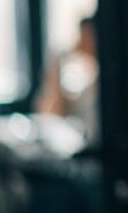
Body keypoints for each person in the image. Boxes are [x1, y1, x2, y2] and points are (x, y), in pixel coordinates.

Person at [35, 14, 100, 144]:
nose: (80, 42)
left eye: (85, 37)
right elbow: (50, 114)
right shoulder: (87, 84)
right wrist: (56, 66)